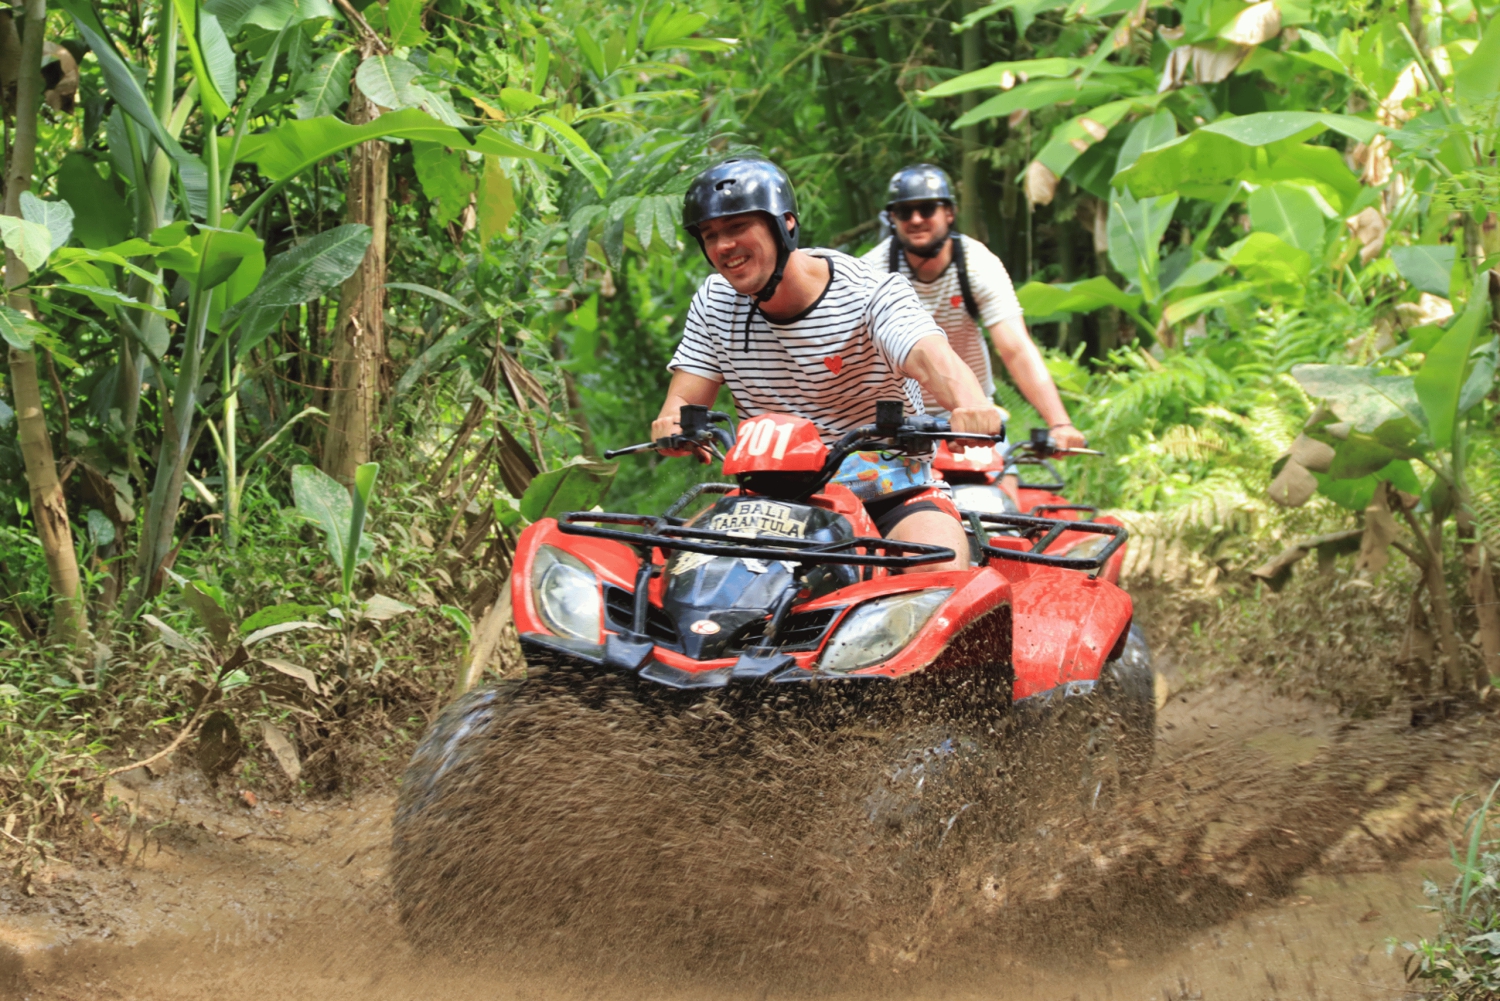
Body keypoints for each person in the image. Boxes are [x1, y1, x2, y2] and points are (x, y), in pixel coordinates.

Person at [652, 157, 1004, 573]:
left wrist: (970, 404)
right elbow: (682, 403)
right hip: (769, 498)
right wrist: (672, 425)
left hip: (892, 489)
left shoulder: (870, 291)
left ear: (785, 225)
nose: (723, 245)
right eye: (710, 235)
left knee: (939, 571)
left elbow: (930, 358)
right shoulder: (715, 301)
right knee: (671, 575)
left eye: (737, 228)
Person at [862, 164, 1086, 451]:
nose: (916, 219)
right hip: (895, 420)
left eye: (927, 209)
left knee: (1000, 485)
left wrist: (1060, 424)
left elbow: (1015, 348)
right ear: (893, 218)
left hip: (971, 411)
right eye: (905, 212)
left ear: (949, 213)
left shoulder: (977, 264)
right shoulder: (872, 271)